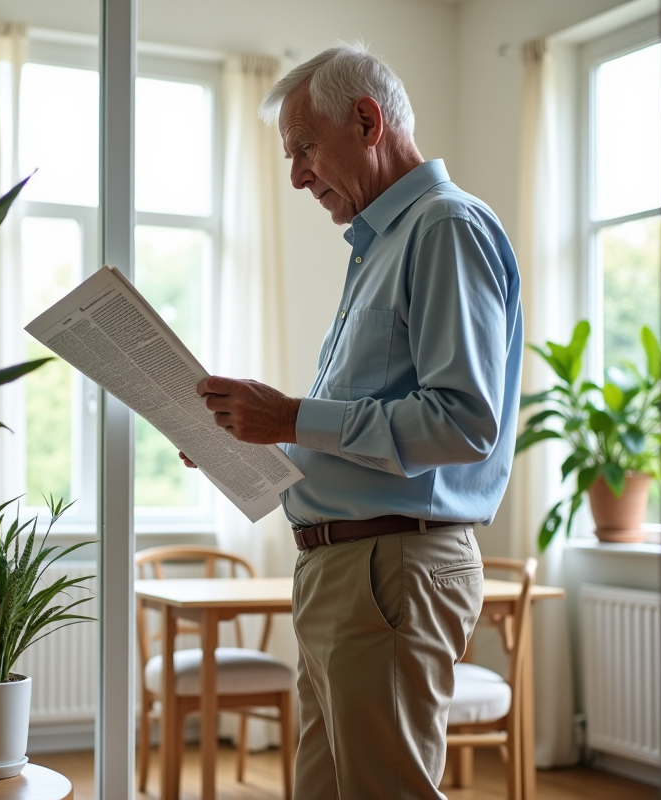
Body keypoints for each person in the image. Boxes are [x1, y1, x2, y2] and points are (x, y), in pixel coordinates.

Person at [180, 44, 522, 799]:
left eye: (303, 148)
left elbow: (463, 423)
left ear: (367, 121)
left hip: (388, 571)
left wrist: (292, 416)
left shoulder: (444, 228)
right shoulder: (381, 245)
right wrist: (249, 438)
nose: (297, 175)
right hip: (345, 572)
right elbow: (359, 433)